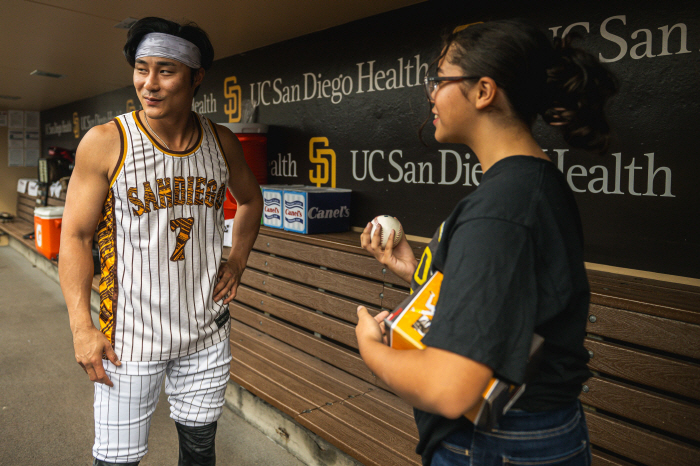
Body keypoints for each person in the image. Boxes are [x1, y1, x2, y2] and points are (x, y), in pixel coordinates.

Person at [355, 19, 616, 466]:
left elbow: (449, 388)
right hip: (524, 436)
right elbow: (508, 302)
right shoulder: (531, 184)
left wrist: (371, 348)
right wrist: (418, 270)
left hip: (500, 443)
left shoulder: (503, 206)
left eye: (440, 80)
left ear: (483, 92)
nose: (431, 95)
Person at [59, 17, 263, 466]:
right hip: (128, 341)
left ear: (195, 78)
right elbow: (74, 236)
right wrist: (81, 328)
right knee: (116, 460)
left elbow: (250, 201)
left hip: (205, 336)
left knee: (199, 453)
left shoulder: (221, 142)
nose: (148, 84)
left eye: (165, 71)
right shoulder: (106, 142)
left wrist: (238, 261)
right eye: (141, 68)